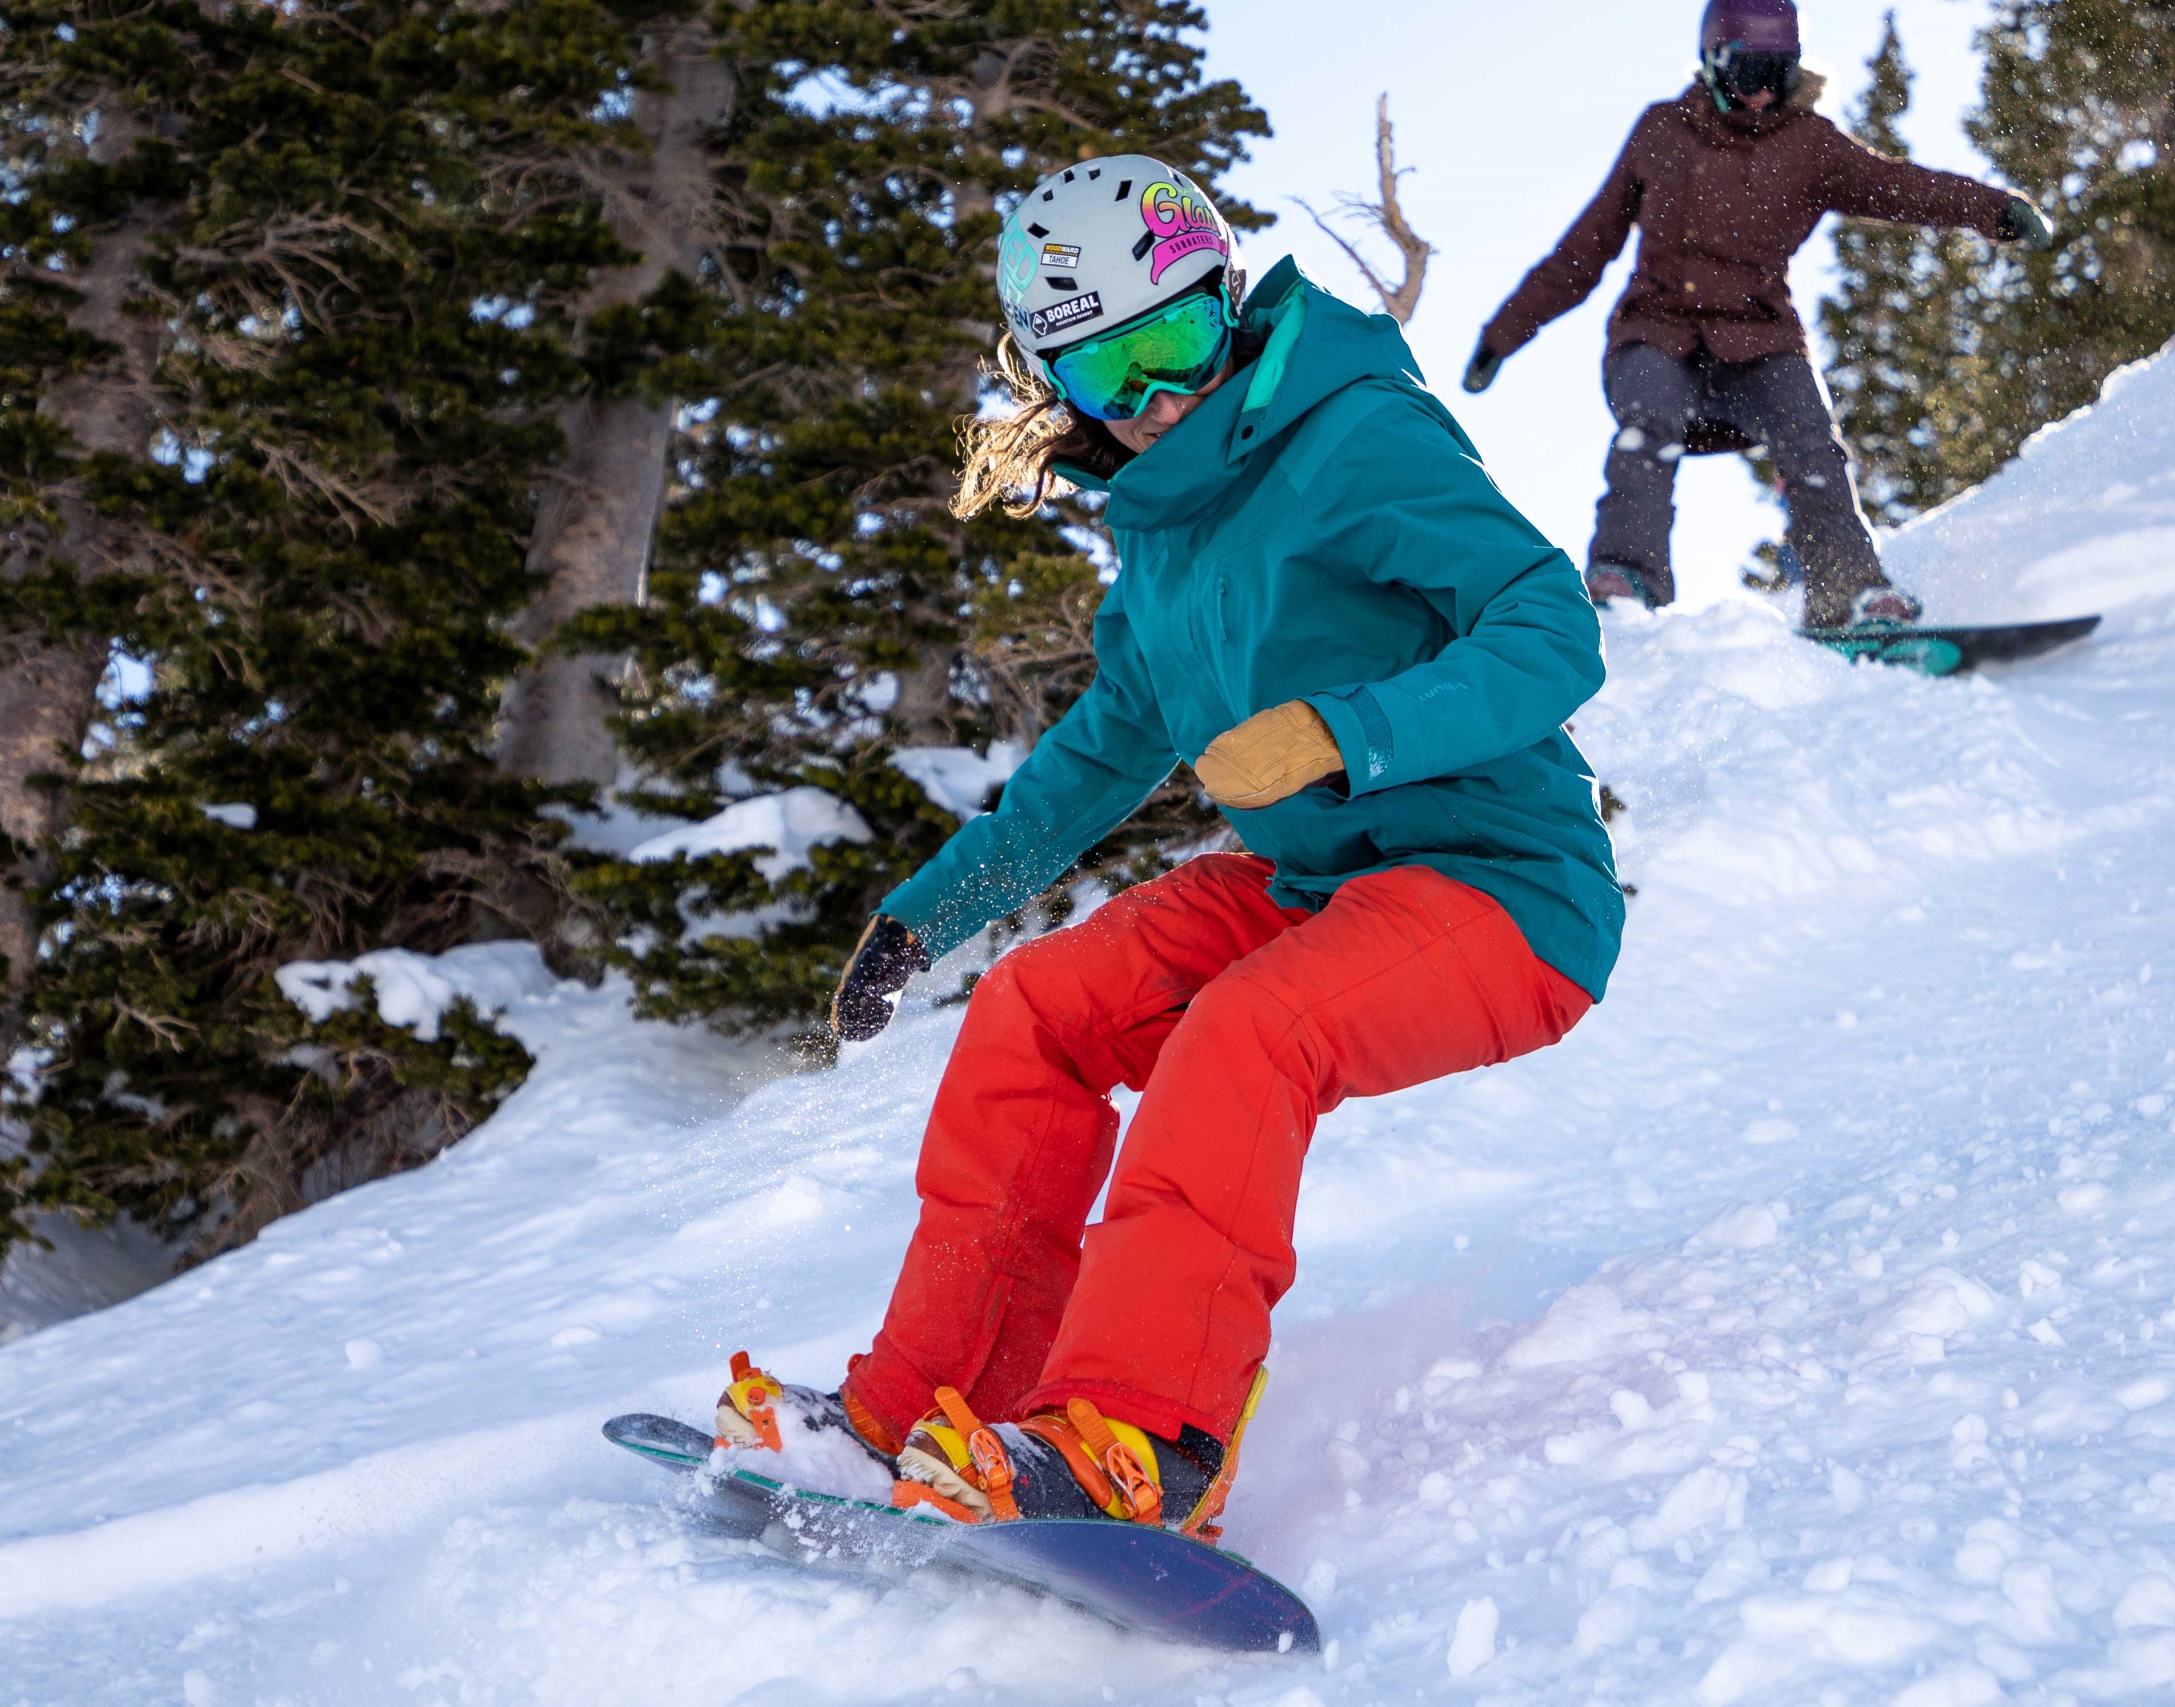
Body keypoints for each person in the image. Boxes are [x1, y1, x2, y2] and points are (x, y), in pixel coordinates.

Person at [713, 156, 1623, 1538]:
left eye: (1177, 343)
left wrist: (1344, 731)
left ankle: (1145, 1439)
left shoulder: (1355, 434)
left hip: (1504, 885)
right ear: (1054, 387)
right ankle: (919, 1409)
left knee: (1248, 1031)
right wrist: (927, 918)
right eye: (1106, 375)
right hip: (1317, 885)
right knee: (1040, 1009)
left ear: (1227, 305)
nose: (1155, 402)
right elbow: (1092, 761)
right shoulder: (1161, 548)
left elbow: (1551, 623)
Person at [1461, 0, 2055, 626]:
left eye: (1780, 74)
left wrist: (1997, 210)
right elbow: (1585, 250)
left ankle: (1847, 595)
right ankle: (1627, 577)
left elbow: (1902, 186)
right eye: (1749, 75)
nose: (1762, 95)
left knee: (1813, 445)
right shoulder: (1662, 133)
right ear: (1714, 65)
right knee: (1646, 425)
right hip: (1657, 333)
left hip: (1759, 340)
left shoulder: (1809, 146)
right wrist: (1502, 336)